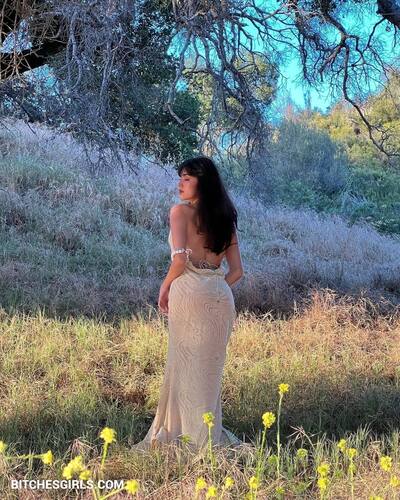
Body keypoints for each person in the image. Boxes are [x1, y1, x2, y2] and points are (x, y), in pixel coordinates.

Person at [133, 156, 244, 452]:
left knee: (183, 366)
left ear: (202, 183)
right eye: (180, 178)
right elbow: (237, 272)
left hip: (188, 294)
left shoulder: (179, 212)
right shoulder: (225, 218)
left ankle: (181, 435)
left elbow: (180, 260)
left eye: (186, 178)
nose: (179, 184)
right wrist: (213, 286)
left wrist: (165, 286)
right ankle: (205, 436)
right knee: (209, 371)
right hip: (220, 297)